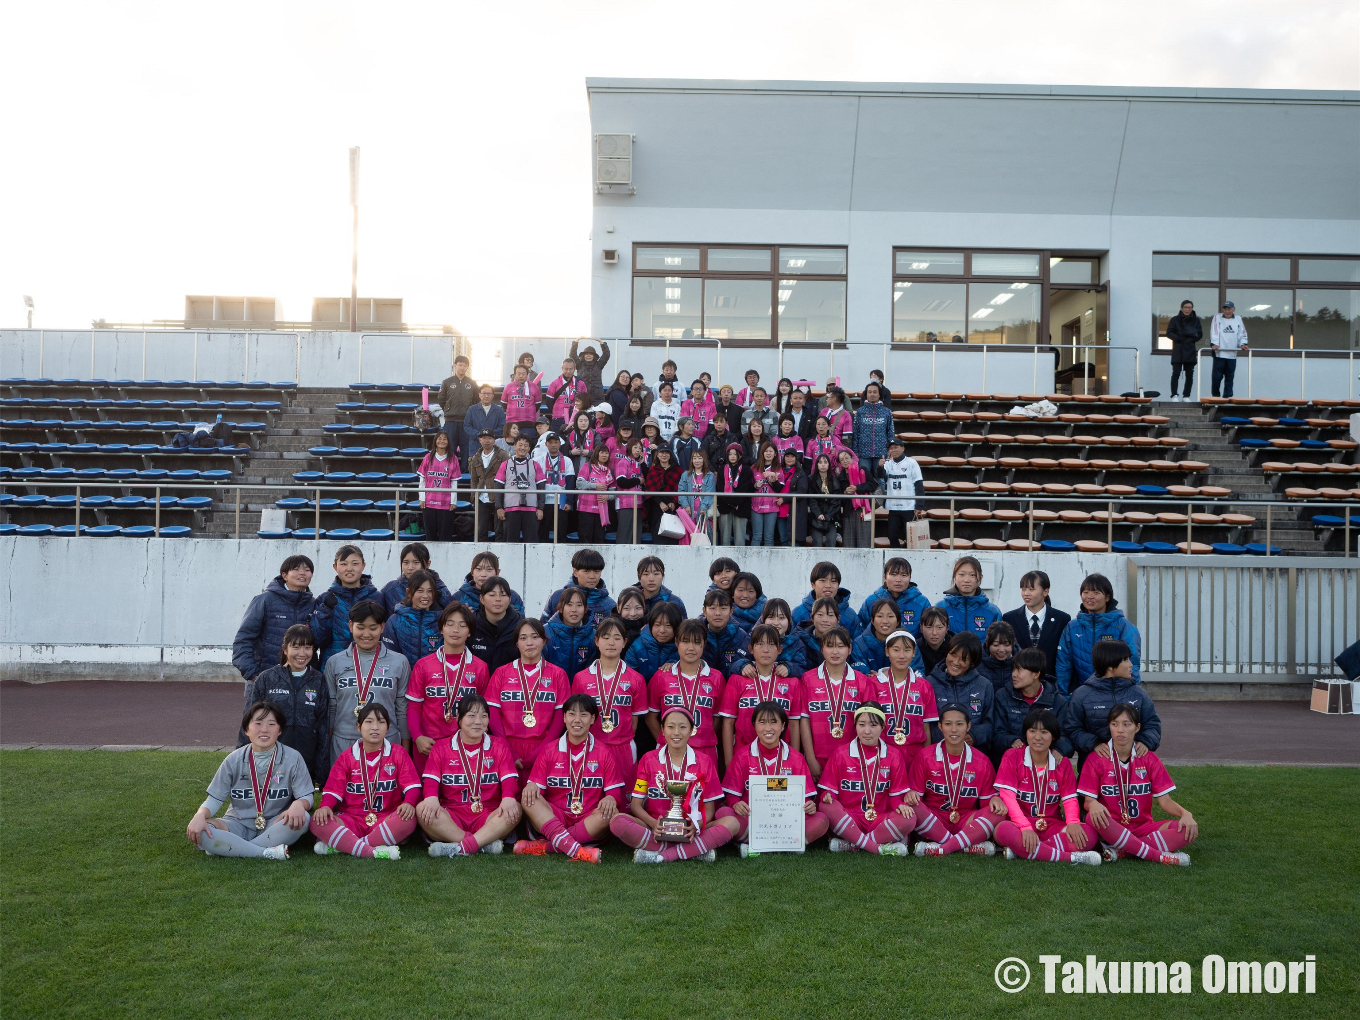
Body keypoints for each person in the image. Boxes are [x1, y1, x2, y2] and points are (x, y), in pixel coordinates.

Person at [187, 701, 313, 860]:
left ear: (280, 730)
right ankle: (264, 852)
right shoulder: (233, 760)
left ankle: (233, 847)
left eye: (271, 724)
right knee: (202, 831)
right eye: (258, 723)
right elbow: (215, 798)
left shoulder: (293, 757)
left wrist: (298, 804)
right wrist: (199, 815)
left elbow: (306, 796)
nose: (264, 729)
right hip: (237, 823)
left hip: (274, 824)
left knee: (304, 818)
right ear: (246, 730)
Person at [1077, 703, 1196, 866]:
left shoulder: (1149, 759)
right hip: (1111, 827)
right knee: (1092, 817)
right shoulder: (1096, 759)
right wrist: (1093, 803)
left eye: (1126, 724)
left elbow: (1165, 801)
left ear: (1137, 727)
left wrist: (1185, 813)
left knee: (1185, 829)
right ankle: (1160, 856)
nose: (1120, 730)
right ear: (1109, 727)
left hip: (1143, 828)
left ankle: (1123, 851)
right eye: (1115, 724)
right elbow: (1088, 802)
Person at [610, 706, 730, 863]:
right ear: (662, 730)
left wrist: (697, 824)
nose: (676, 733)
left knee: (731, 822)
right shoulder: (648, 759)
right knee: (617, 821)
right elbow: (636, 805)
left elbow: (709, 809)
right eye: (671, 726)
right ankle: (693, 851)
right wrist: (654, 824)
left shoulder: (705, 761)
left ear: (692, 730)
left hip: (690, 829)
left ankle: (660, 855)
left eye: (683, 727)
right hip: (656, 827)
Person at [515, 694, 625, 864]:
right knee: (528, 798)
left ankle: (548, 846)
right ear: (564, 717)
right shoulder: (549, 750)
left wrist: (611, 798)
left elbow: (615, 794)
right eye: (572, 714)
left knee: (613, 813)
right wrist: (531, 787)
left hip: (588, 819)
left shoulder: (604, 752)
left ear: (592, 719)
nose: (577, 720)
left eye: (584, 714)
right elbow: (538, 792)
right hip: (556, 816)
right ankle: (578, 850)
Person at [310, 703, 420, 859]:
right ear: (358, 727)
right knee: (317, 821)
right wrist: (325, 806)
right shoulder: (347, 757)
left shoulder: (398, 753)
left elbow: (412, 787)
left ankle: (348, 845)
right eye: (369, 722)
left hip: (385, 818)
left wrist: (408, 803)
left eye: (381, 722)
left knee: (408, 819)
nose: (375, 727)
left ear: (387, 728)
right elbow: (333, 790)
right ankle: (371, 850)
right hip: (351, 819)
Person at [992, 708, 1101, 865]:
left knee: (1089, 834)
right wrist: (1025, 827)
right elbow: (1008, 798)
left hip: (1052, 825)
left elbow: (1069, 800)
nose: (1038, 737)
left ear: (1054, 735)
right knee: (1002, 830)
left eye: (1044, 732)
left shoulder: (1062, 763)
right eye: (1032, 731)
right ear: (1025, 733)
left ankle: (1024, 851)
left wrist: (1072, 823)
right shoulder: (1012, 756)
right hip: (1020, 824)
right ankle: (1071, 857)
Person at [716, 701, 827, 854]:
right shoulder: (742, 756)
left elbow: (805, 799)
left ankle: (754, 847)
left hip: (785, 822)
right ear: (754, 725)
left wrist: (809, 805)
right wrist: (736, 804)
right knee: (723, 814)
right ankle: (788, 845)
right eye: (762, 722)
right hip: (752, 820)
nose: (768, 728)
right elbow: (732, 797)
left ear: (783, 726)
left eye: (774, 722)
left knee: (821, 819)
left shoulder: (796, 758)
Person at [418, 694, 521, 857]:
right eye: (471, 716)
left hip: (488, 816)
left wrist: (508, 797)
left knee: (515, 809)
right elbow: (431, 781)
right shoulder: (441, 747)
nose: (478, 722)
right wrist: (431, 798)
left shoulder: (499, 745)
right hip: (452, 817)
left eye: (484, 716)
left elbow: (509, 780)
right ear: (458, 718)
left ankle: (458, 847)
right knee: (422, 808)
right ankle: (480, 844)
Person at [906, 704, 1005, 857]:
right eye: (948, 724)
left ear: (968, 726)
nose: (953, 729)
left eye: (959, 724)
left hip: (966, 821)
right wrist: (910, 795)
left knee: (998, 813)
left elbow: (986, 804)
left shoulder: (982, 761)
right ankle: (963, 845)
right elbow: (915, 798)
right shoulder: (925, 756)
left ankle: (943, 847)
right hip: (934, 819)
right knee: (911, 804)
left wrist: (995, 799)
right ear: (940, 726)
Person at [237, 624, 329, 785]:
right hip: (271, 755)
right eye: (296, 647)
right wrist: (241, 759)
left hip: (306, 758)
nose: (302, 653)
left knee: (299, 808)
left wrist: (322, 772)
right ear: (285, 649)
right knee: (271, 805)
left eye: (307, 647)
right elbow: (249, 720)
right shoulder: (267, 679)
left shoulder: (319, 680)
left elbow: (323, 726)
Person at [818, 703, 913, 855]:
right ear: (855, 726)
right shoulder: (840, 754)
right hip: (851, 819)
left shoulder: (894, 755)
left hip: (880, 820)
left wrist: (900, 805)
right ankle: (877, 847)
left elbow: (895, 798)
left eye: (873, 725)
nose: (867, 731)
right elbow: (829, 791)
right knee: (825, 806)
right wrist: (828, 796)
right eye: (861, 725)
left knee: (909, 817)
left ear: (883, 727)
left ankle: (853, 844)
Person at [407, 603, 490, 773]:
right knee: (428, 796)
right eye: (450, 624)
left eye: (462, 625)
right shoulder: (423, 665)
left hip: (465, 744)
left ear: (470, 632)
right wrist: (417, 737)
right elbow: (414, 707)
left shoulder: (480, 667)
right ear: (441, 629)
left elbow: (484, 710)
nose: (455, 630)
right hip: (428, 744)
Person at [485, 618, 571, 784]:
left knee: (536, 802)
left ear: (544, 641)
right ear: (516, 643)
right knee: (509, 803)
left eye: (535, 637)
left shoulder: (558, 675)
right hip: (507, 747)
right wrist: (507, 750)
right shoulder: (501, 673)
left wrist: (544, 749)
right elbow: (493, 715)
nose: (529, 643)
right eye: (523, 638)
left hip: (544, 748)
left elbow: (561, 716)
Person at [323, 600, 410, 763]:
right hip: (344, 742)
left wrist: (405, 747)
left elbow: (402, 707)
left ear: (382, 627)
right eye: (360, 627)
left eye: (373, 628)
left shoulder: (399, 662)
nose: (366, 634)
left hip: (387, 741)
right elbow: (331, 706)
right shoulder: (334, 662)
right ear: (351, 626)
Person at [1062, 640, 1162, 771]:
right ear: (1110, 665)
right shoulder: (1082, 695)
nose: (1131, 665)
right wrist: (1094, 744)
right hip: (1093, 771)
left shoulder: (1139, 694)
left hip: (1133, 771)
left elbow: (1152, 724)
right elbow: (1072, 728)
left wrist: (1145, 741)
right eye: (1126, 660)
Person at [570, 617, 647, 779]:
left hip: (623, 748)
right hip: (590, 747)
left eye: (617, 638)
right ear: (596, 641)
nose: (611, 642)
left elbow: (634, 721)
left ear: (625, 642)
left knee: (624, 799)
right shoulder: (581, 678)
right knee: (592, 799)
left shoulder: (636, 679)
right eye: (606, 637)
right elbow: (574, 718)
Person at [719, 624, 805, 763]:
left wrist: (794, 760)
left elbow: (794, 725)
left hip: (781, 757)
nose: (766, 650)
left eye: (771, 644)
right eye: (760, 644)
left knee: (776, 786)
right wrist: (730, 763)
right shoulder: (737, 680)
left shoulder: (792, 682)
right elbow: (728, 723)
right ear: (751, 649)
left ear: (780, 649)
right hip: (743, 756)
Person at [800, 627, 875, 779]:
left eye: (841, 646)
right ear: (821, 649)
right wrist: (810, 758)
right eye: (830, 646)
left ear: (850, 649)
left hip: (853, 757)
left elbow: (870, 724)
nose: (835, 652)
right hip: (818, 757)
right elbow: (804, 720)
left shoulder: (863, 681)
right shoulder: (808, 679)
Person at [647, 619, 725, 763]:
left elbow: (717, 717)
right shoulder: (662, 676)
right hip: (669, 749)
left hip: (704, 749)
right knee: (669, 786)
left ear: (704, 644)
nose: (691, 648)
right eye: (685, 641)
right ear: (676, 643)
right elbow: (651, 716)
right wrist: (667, 739)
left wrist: (703, 737)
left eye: (696, 642)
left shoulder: (716, 678)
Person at [232, 554, 316, 686]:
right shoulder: (265, 600)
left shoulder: (314, 604)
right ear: (284, 575)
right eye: (296, 569)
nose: (302, 573)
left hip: (301, 682)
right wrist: (254, 675)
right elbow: (244, 639)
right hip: (265, 680)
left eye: (307, 570)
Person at [1055, 573, 1142, 694]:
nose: (1090, 596)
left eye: (1096, 593)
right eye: (1086, 592)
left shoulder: (1124, 626)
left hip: (1115, 695)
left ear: (1107, 597)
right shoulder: (1072, 627)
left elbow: (1133, 665)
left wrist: (1129, 695)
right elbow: (1063, 665)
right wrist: (1062, 696)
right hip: (1082, 695)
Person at [990, 646, 1071, 768]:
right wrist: (1011, 740)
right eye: (1013, 670)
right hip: (1011, 765)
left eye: (1019, 670)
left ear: (1036, 674)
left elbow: (1067, 736)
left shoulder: (1058, 702)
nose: (1014, 675)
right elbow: (997, 734)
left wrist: (1059, 749)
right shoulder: (1002, 696)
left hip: (1046, 766)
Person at [872, 630, 937, 768]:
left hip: (915, 754)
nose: (902, 656)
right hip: (882, 753)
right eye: (896, 650)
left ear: (914, 652)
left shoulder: (924, 686)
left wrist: (926, 758)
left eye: (907, 650)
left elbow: (926, 727)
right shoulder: (873, 684)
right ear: (887, 651)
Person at [311, 545, 381, 664]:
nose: (349, 568)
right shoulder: (325, 599)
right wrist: (326, 611)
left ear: (363, 565)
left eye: (355, 563)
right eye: (343, 564)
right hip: (334, 666)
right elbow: (317, 640)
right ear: (335, 567)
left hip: (370, 666)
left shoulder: (376, 597)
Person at [926, 632, 994, 751]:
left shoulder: (984, 685)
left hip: (973, 755)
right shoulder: (929, 683)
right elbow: (925, 724)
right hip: (937, 755)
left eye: (963, 659)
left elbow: (991, 723)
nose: (956, 662)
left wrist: (974, 735)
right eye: (953, 654)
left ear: (972, 662)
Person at [1002, 569, 1070, 680]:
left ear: (1045, 592)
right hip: (1018, 682)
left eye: (1031, 589)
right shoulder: (1009, 618)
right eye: (1023, 589)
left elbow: (1064, 657)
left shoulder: (1062, 619)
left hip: (1050, 683)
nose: (1026, 593)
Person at [380, 569, 443, 668]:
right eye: (420, 591)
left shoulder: (442, 621)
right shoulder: (395, 621)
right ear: (409, 592)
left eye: (430, 591)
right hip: (404, 680)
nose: (425, 596)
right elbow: (388, 657)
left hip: (434, 681)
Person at [856, 557, 931, 638]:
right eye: (893, 574)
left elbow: (926, 635)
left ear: (910, 578)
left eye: (904, 575)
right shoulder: (871, 601)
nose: (898, 580)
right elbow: (862, 631)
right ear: (885, 577)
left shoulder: (922, 602)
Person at [935, 555, 1002, 640]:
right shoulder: (940, 608)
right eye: (962, 574)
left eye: (972, 575)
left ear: (980, 577)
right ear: (955, 576)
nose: (966, 580)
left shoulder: (993, 612)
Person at [494, 434, 545, 542]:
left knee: (532, 543)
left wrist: (540, 508)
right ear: (514, 446)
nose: (522, 448)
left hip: (531, 509)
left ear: (529, 448)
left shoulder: (535, 465)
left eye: (526, 445)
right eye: (520, 445)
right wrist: (499, 507)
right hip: (510, 509)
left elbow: (541, 488)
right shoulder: (505, 464)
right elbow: (498, 487)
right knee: (511, 543)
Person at [543, 547, 615, 623]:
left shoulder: (609, 605)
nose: (592, 576)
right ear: (575, 572)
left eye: (597, 571)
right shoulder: (557, 597)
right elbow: (543, 629)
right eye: (586, 571)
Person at [379, 542, 453, 613]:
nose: (410, 567)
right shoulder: (390, 590)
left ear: (428, 564)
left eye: (416, 562)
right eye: (405, 562)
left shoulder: (440, 590)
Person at [468, 576, 523, 671]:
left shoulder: (520, 627)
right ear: (481, 599)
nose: (498, 599)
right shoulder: (471, 625)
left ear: (509, 599)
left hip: (511, 684)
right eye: (492, 595)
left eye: (503, 594)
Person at [791, 560, 860, 634]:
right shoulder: (798, 614)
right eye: (823, 580)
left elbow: (855, 643)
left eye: (833, 581)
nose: (828, 585)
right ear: (813, 584)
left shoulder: (850, 615)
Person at [543, 587, 598, 678]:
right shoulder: (546, 632)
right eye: (569, 604)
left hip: (581, 689)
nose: (574, 610)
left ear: (585, 609)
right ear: (560, 608)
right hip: (552, 687)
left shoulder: (593, 635)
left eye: (579, 605)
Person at [624, 601, 681, 687]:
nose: (662, 630)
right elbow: (628, 678)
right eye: (657, 625)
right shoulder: (637, 647)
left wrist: (675, 663)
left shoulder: (682, 647)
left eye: (668, 625)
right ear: (650, 625)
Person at [417, 429, 460, 542]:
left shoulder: (453, 458)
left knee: (445, 535)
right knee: (430, 535)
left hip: (445, 503)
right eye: (439, 438)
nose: (442, 441)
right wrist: (422, 498)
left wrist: (453, 501)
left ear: (448, 442)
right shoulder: (428, 457)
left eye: (444, 439)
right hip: (429, 502)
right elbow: (422, 480)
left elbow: (454, 482)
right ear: (435, 441)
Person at [879, 437, 923, 546]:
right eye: (891, 448)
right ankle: (897, 557)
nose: (893, 450)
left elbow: (918, 484)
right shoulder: (888, 463)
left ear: (903, 448)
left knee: (910, 537)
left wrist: (919, 505)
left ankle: (909, 559)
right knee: (892, 535)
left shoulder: (912, 463)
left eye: (896, 447)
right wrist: (880, 467)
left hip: (909, 506)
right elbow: (881, 476)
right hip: (893, 507)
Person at [454, 550, 525, 617]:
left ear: (497, 572)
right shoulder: (458, 598)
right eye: (478, 569)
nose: (483, 574)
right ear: (472, 572)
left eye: (489, 569)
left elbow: (521, 624)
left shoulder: (512, 596)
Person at [467, 428, 508, 542]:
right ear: (480, 440)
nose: (487, 441)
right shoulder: (476, 457)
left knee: (499, 530)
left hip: (498, 497)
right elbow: (474, 479)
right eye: (484, 438)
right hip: (481, 497)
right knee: (481, 530)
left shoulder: (502, 455)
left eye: (489, 438)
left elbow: (509, 475)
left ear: (494, 440)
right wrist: (473, 495)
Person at [534, 431, 576, 540]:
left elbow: (570, 482)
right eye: (551, 442)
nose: (553, 445)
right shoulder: (538, 460)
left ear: (559, 444)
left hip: (561, 500)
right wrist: (537, 503)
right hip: (545, 500)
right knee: (543, 531)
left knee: (561, 531)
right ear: (546, 444)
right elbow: (535, 483)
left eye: (556, 442)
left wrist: (569, 501)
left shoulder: (567, 460)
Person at [698, 589, 750, 679]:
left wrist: (742, 665)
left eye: (723, 608)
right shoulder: (696, 633)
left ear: (731, 611)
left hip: (730, 687)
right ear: (704, 611)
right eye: (712, 608)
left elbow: (744, 662)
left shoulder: (741, 636)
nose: (718, 613)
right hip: (700, 687)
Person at [438, 354, 478, 456]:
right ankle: (451, 470)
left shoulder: (472, 383)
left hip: (466, 422)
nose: (462, 368)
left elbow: (476, 400)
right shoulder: (447, 382)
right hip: (450, 421)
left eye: (465, 366)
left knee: (467, 448)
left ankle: (465, 471)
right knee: (450, 447)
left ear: (467, 367)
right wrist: (449, 410)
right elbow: (441, 400)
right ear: (455, 365)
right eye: (460, 365)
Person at [574, 445, 615, 544]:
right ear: (597, 454)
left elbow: (614, 492)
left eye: (606, 453)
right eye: (602, 452)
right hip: (586, 509)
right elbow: (579, 483)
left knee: (599, 538)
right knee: (585, 537)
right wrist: (594, 485)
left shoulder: (610, 471)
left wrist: (608, 496)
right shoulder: (587, 466)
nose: (604, 455)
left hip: (601, 512)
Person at [852, 380, 894, 477]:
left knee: (880, 479)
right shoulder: (860, 412)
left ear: (879, 394)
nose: (872, 394)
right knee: (863, 477)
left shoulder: (886, 412)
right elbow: (856, 432)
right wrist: (855, 451)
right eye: (869, 392)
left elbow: (890, 432)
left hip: (881, 453)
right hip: (863, 453)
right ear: (866, 394)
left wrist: (891, 448)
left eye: (875, 392)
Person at [837, 447, 876, 549]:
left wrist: (857, 488)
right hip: (849, 512)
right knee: (849, 544)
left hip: (864, 509)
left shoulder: (862, 469)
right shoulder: (840, 477)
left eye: (847, 458)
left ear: (852, 458)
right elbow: (838, 497)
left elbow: (872, 485)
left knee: (864, 542)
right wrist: (845, 493)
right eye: (842, 460)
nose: (845, 461)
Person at [642, 445, 682, 542]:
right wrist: (660, 503)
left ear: (670, 455)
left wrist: (674, 502)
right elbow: (650, 490)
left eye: (666, 453)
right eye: (661, 452)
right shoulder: (653, 470)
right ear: (657, 455)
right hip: (657, 506)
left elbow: (680, 489)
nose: (664, 455)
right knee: (657, 533)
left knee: (673, 535)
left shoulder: (677, 470)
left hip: (673, 507)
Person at [850, 598, 900, 676]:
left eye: (890, 616)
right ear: (872, 620)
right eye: (880, 616)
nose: (885, 621)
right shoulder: (860, 644)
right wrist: (868, 675)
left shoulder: (908, 642)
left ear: (898, 621)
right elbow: (858, 673)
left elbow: (916, 668)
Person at [1210, 299, 1248, 399]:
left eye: (1229, 309)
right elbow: (1214, 331)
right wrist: (1215, 344)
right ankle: (1215, 396)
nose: (1227, 311)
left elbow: (1242, 333)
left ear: (1233, 309)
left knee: (1229, 376)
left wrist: (1243, 344)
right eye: (1225, 309)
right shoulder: (1217, 317)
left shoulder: (1238, 319)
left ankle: (1228, 397)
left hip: (1232, 353)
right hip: (1219, 352)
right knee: (1217, 377)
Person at [1165, 299, 1202, 402]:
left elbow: (1199, 334)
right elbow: (1169, 332)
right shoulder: (1175, 320)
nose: (1187, 309)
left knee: (1189, 374)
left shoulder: (1196, 320)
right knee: (1176, 373)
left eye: (1189, 307)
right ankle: (1174, 395)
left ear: (1192, 309)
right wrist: (1179, 338)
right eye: (1185, 307)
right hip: (1178, 349)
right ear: (1181, 308)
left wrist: (1191, 338)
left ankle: (1186, 395)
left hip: (1190, 350)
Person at [716, 443, 753, 546]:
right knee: (724, 538)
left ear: (740, 455)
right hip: (725, 506)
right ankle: (724, 561)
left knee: (740, 538)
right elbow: (719, 488)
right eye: (730, 454)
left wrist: (735, 502)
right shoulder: (722, 469)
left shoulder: (746, 470)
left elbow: (744, 489)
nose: (732, 456)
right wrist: (730, 503)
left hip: (741, 507)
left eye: (735, 454)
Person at [794, 596, 843, 673]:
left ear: (838, 619)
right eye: (820, 615)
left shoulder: (844, 641)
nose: (825, 620)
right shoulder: (799, 639)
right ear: (812, 617)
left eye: (830, 615)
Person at [804, 453, 843, 547]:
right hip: (816, 517)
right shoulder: (811, 479)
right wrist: (818, 514)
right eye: (820, 462)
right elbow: (811, 499)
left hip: (832, 517)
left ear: (829, 464)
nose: (823, 465)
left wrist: (829, 515)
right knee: (817, 541)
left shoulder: (834, 479)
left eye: (825, 462)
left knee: (831, 541)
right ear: (816, 464)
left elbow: (836, 501)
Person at [462, 383, 506, 463]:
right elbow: (467, 426)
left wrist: (490, 436)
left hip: (494, 447)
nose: (486, 396)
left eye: (489, 394)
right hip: (475, 447)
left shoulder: (499, 410)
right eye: (484, 393)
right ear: (479, 395)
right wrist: (479, 435)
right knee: (475, 472)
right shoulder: (472, 409)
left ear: (493, 395)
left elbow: (502, 427)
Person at [773, 447, 808, 546]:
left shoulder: (800, 473)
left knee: (793, 540)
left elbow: (801, 491)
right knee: (783, 539)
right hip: (780, 510)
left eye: (792, 456)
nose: (789, 458)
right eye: (787, 456)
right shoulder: (779, 471)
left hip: (793, 510)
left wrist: (784, 499)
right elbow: (777, 488)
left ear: (796, 458)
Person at [677, 448, 715, 537]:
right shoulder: (685, 475)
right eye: (694, 458)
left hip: (703, 512)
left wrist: (703, 508)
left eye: (699, 458)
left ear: (704, 459)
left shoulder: (710, 475)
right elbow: (681, 491)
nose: (696, 460)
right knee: (688, 539)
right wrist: (686, 506)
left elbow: (710, 493)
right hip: (688, 513)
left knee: (703, 539)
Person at [545, 357, 588, 424]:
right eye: (566, 369)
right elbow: (548, 401)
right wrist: (557, 411)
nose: (568, 371)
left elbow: (585, 401)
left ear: (574, 369)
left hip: (575, 418)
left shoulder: (580, 383)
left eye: (571, 369)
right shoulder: (554, 383)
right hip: (558, 418)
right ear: (562, 368)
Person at [915, 606, 953, 677]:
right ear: (921, 627)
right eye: (929, 627)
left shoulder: (955, 648)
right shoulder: (914, 648)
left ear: (947, 628)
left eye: (940, 627)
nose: (934, 633)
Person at [501, 362, 542, 428]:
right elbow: (504, 403)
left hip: (529, 422)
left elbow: (538, 403)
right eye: (518, 374)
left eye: (523, 374)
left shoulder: (534, 387)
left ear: (527, 374)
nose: (521, 376)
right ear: (514, 374)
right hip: (512, 422)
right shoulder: (508, 387)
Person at [611, 585, 648, 655]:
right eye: (627, 608)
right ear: (618, 608)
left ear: (644, 608)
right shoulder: (610, 627)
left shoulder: (651, 627)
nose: (633, 614)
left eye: (638, 608)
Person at [978, 621, 1016, 690]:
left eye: (1006, 644)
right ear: (987, 643)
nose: (1001, 649)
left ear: (1013, 643)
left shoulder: (1023, 662)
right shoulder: (977, 662)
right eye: (996, 645)